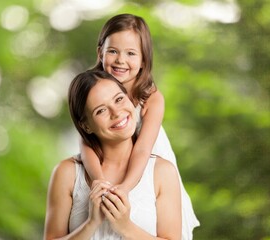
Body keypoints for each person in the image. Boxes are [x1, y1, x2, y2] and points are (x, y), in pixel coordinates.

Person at [79, 13, 199, 239]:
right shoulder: (92, 92)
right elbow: (86, 144)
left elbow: (143, 149)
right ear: (100, 52)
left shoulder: (152, 98)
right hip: (109, 166)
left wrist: (125, 187)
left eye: (131, 53)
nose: (120, 60)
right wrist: (101, 183)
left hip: (147, 164)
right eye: (113, 51)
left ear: (144, 60)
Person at [43, 70, 182, 239]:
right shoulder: (67, 172)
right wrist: (91, 224)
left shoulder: (162, 172)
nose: (116, 112)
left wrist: (126, 227)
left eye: (119, 99)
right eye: (101, 110)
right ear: (86, 126)